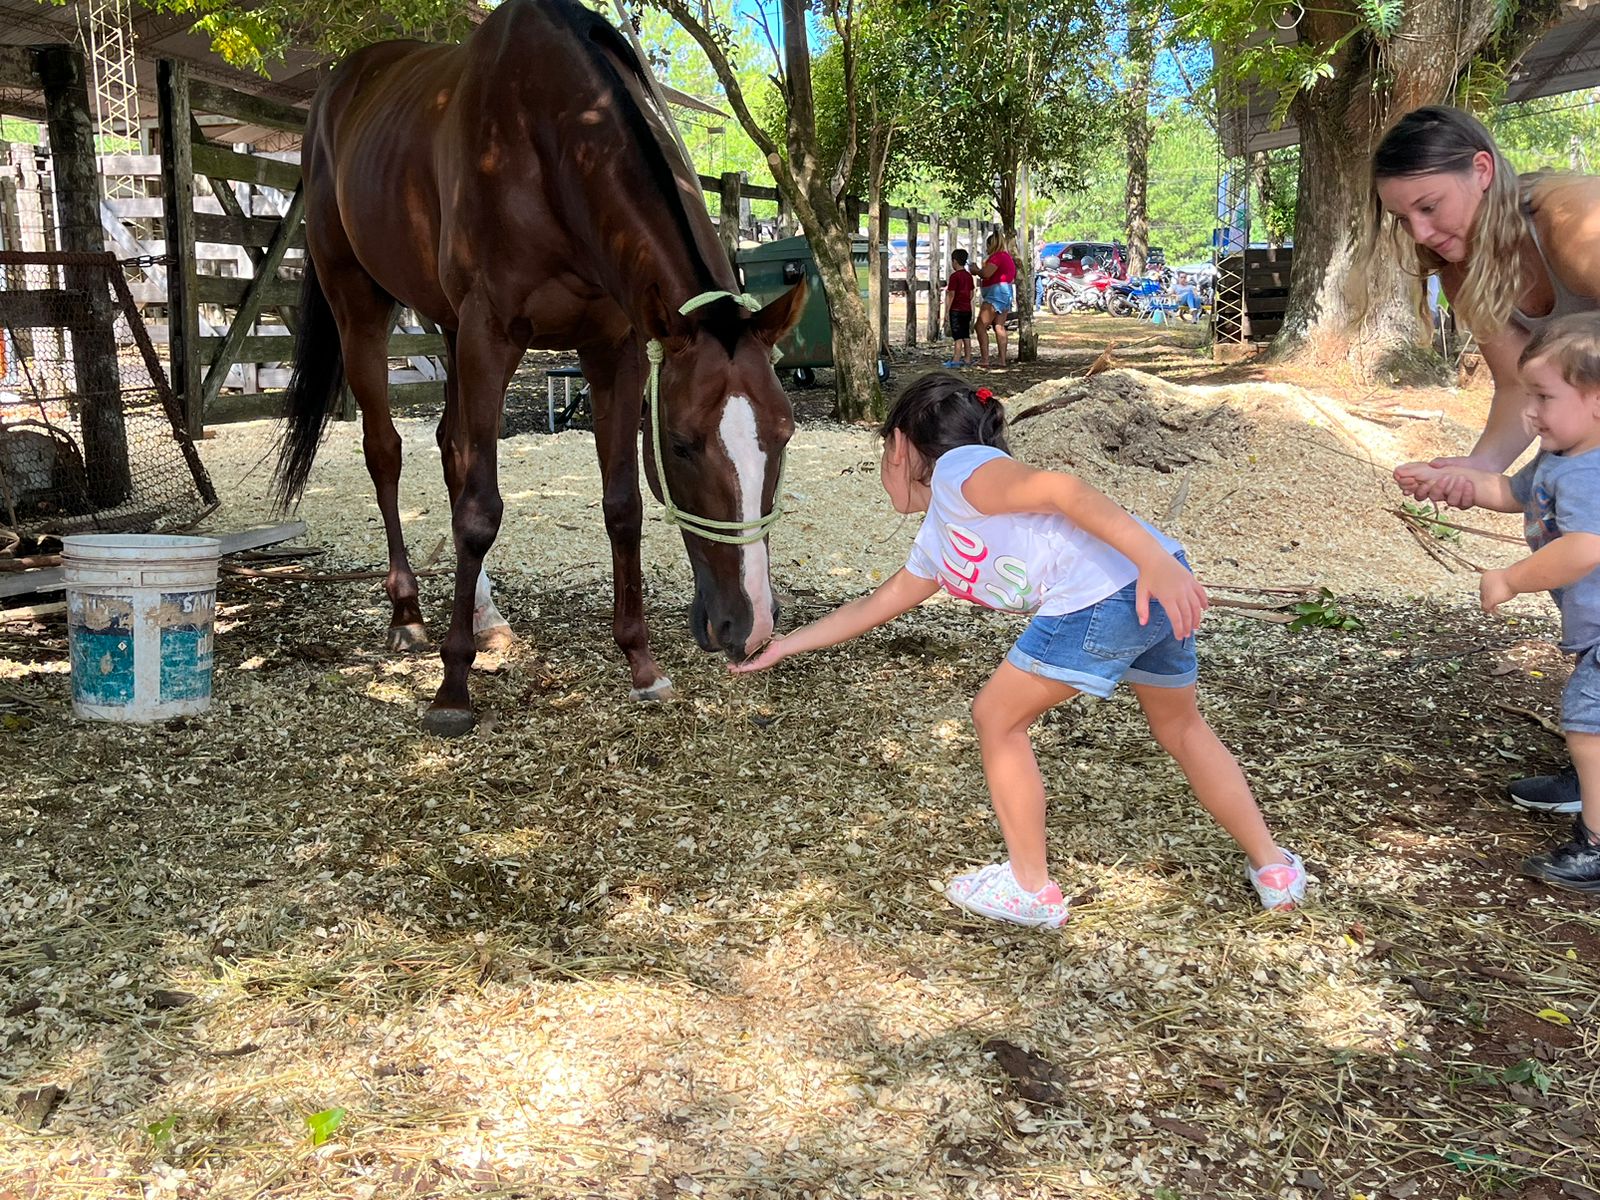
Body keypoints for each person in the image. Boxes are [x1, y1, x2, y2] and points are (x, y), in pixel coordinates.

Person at [730, 372, 1308, 927]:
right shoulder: (941, 533)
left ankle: (1031, 888)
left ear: (900, 445)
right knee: (1183, 728)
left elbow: (1062, 489)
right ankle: (1275, 868)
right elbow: (876, 606)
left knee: (996, 717)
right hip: (1153, 591)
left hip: (1125, 587)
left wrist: (1154, 562)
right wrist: (785, 646)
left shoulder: (962, 470)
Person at [1370, 105, 1600, 814]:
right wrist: (1473, 473)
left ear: (1481, 169)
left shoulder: (1570, 219)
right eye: (1404, 219)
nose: (1423, 234)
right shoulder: (1460, 266)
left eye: (1429, 207)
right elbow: (1511, 386)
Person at [1396, 314, 1600, 891]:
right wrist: (1451, 480)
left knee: (1587, 724)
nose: (1529, 411)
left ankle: (1597, 843)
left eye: (1543, 396)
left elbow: (1584, 549)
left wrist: (1511, 578)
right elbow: (1512, 492)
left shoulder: (1591, 472)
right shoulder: (1561, 454)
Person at [974, 232, 1018, 370]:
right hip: (1006, 292)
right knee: (999, 326)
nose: (986, 249)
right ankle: (1002, 360)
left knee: (980, 326)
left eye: (987, 246)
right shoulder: (1007, 258)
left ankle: (984, 359)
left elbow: (986, 274)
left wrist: (976, 270)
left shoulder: (997, 257)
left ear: (991, 245)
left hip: (996, 293)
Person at [942, 248, 976, 369]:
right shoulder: (968, 276)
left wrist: (947, 311)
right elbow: (972, 293)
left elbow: (951, 294)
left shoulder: (954, 277)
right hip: (967, 309)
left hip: (956, 309)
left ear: (955, 261)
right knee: (966, 334)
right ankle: (968, 357)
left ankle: (956, 358)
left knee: (957, 335)